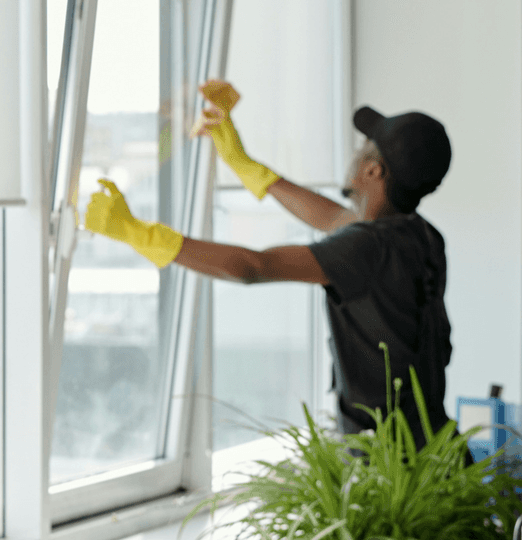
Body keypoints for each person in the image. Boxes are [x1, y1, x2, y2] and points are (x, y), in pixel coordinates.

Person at [82, 80, 453, 445]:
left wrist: (137, 233)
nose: (355, 154)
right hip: (430, 444)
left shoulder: (366, 248)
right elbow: (333, 219)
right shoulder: (419, 235)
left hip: (395, 460)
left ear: (374, 171)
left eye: (364, 147)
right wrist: (242, 163)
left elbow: (252, 266)